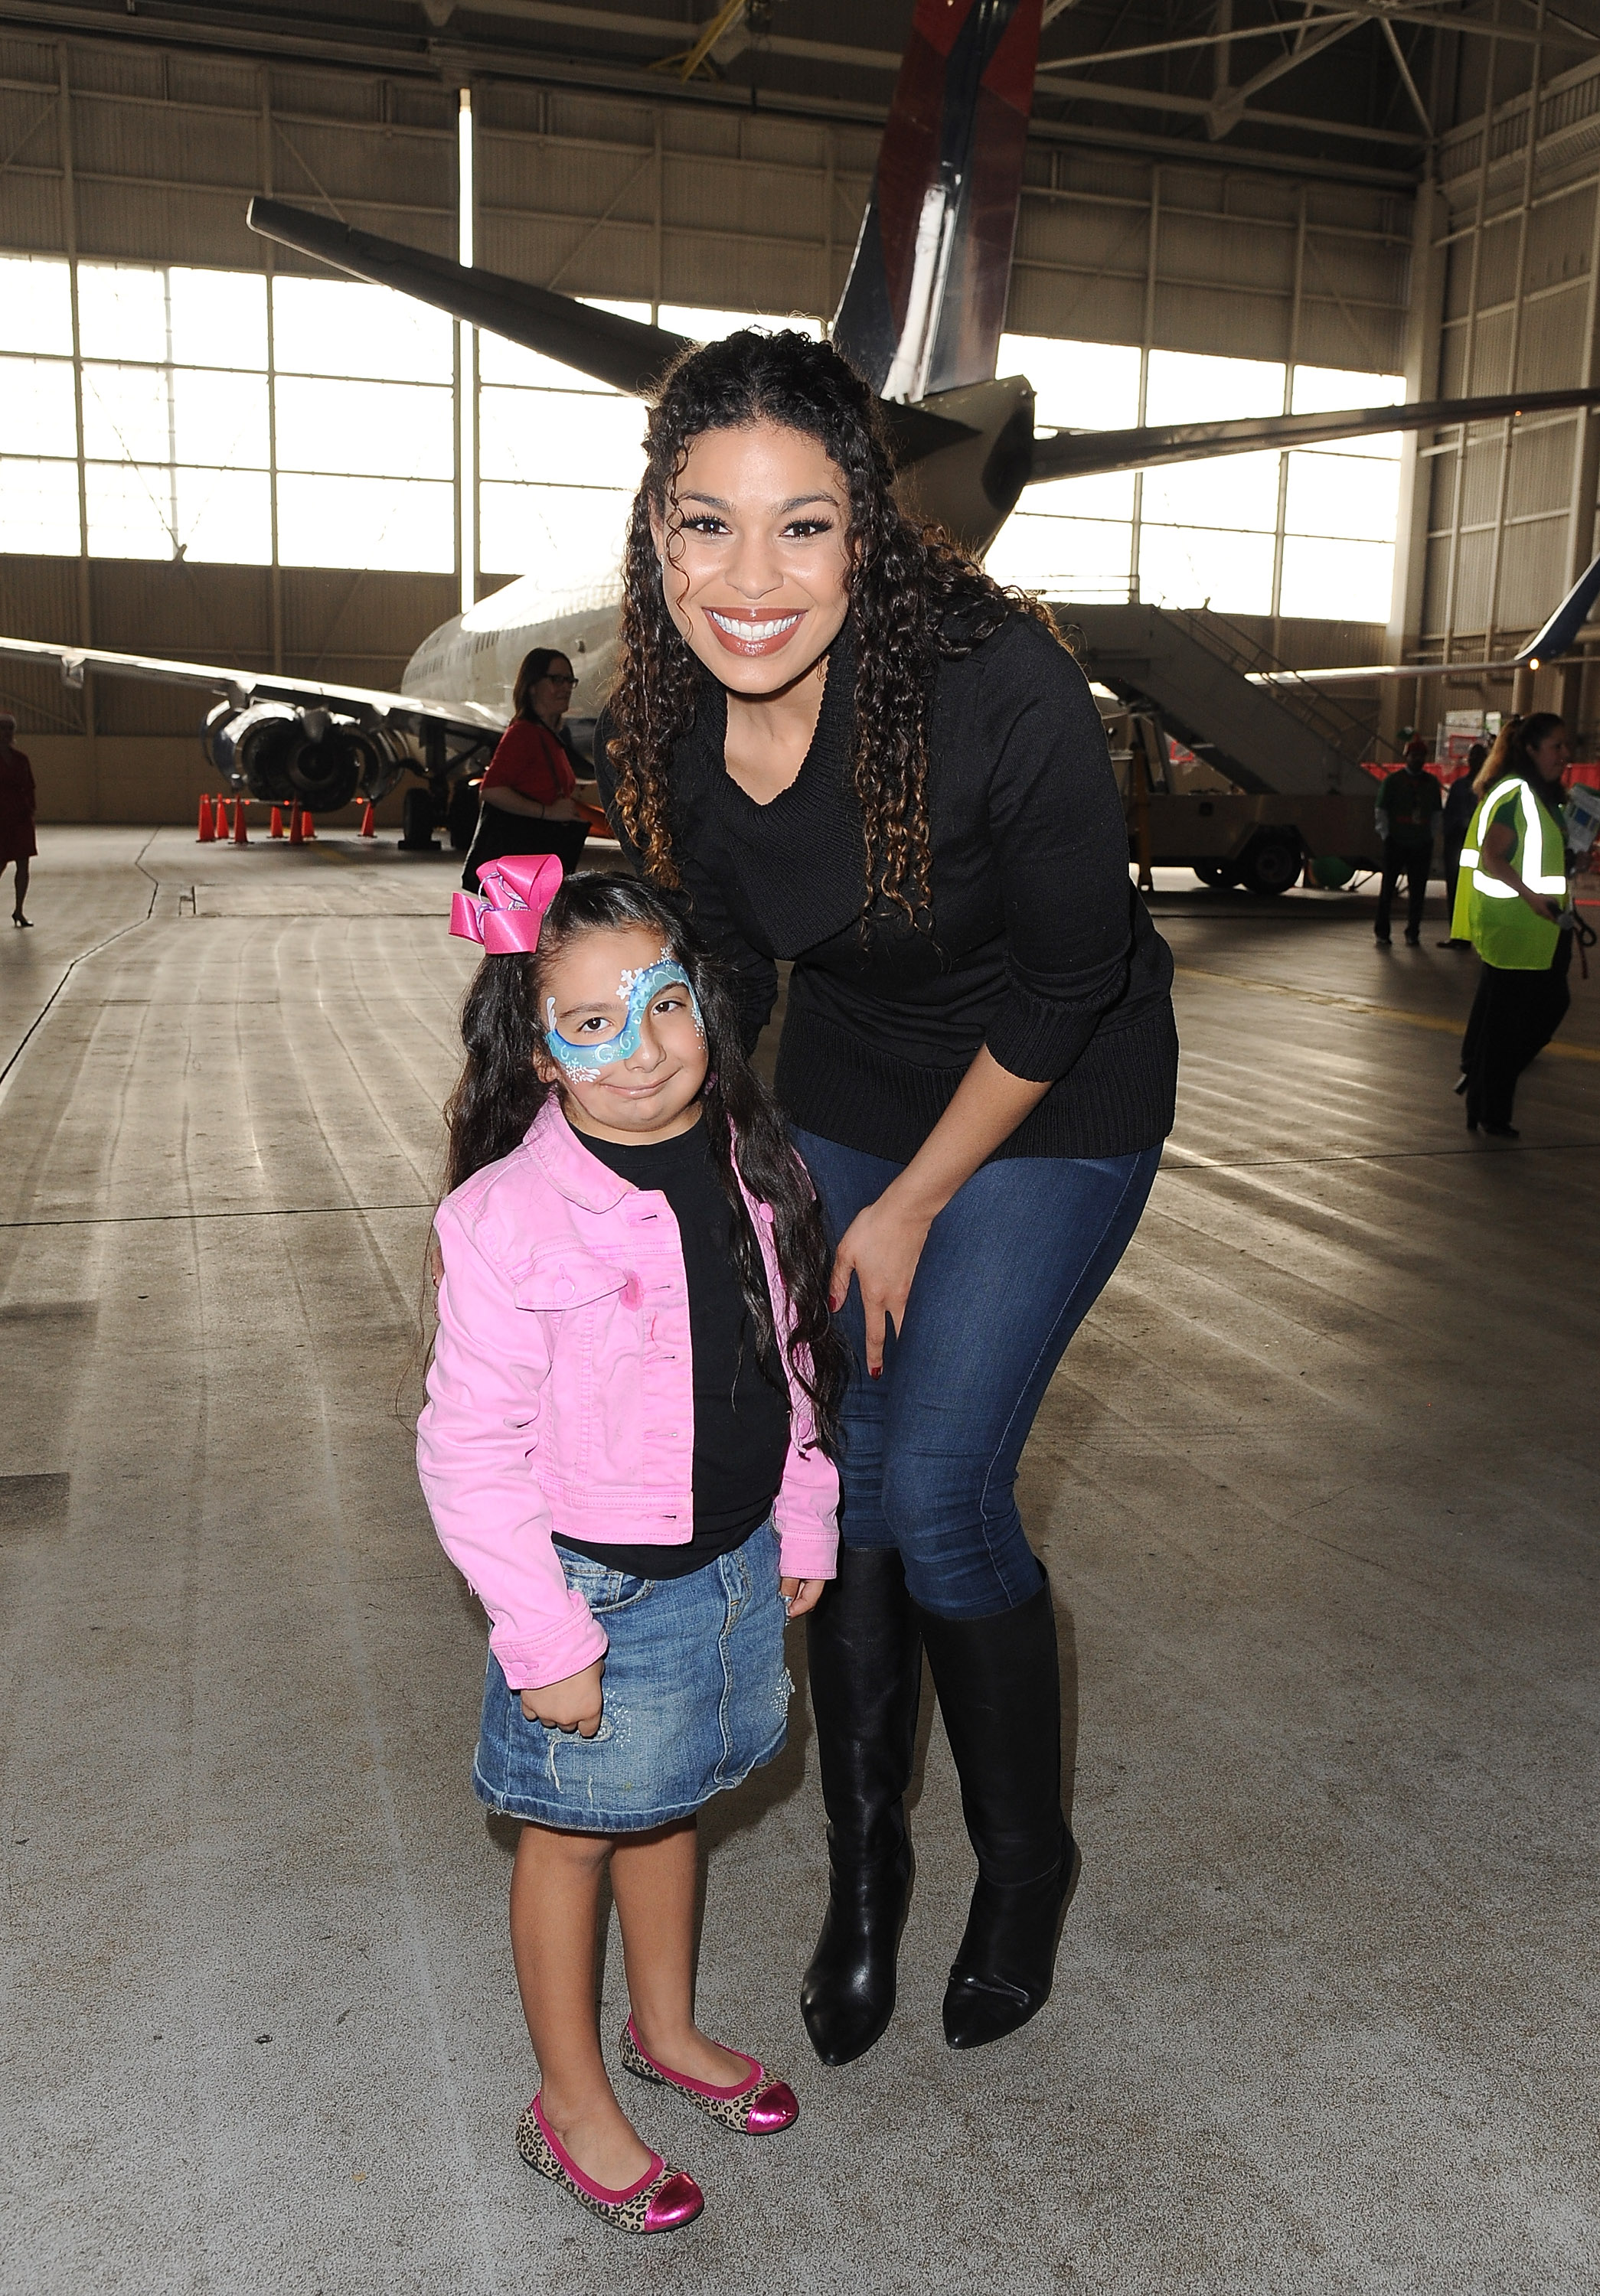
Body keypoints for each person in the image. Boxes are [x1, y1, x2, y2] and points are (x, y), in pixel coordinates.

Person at [595, 331, 1178, 2063]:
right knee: (832, 1487)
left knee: (937, 1488)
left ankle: (1025, 1863)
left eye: (803, 526)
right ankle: (869, 1876)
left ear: (867, 531)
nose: (750, 580)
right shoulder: (661, 716)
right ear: (656, 534)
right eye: (707, 525)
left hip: (1056, 1080)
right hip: (856, 1070)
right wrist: (646, 1144)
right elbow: (720, 965)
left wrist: (913, 1200)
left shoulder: (994, 686)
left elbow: (1069, 975)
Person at [417, 859, 847, 2235]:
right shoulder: (503, 1219)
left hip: (729, 1566)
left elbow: (788, 1355)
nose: (644, 1048)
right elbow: (466, 1449)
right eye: (592, 1023)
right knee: (570, 1840)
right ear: (537, 1053)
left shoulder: (755, 1167)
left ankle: (665, 2030)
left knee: (672, 1802)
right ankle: (570, 2099)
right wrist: (544, 1636)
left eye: (663, 1003)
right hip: (592, 1593)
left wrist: (804, 1506)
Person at [1452, 713, 1573, 1139]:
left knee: (1510, 1016)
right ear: (1531, 749)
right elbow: (1494, 856)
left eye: (1566, 746)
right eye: (1556, 746)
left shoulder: (1546, 796)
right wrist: (1531, 896)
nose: (1565, 754)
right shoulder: (1516, 793)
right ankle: (1489, 1105)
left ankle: (1479, 1082)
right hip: (1518, 924)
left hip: (1546, 925)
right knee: (1519, 1020)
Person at [460, 649, 597, 892]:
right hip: (524, 869)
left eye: (569, 681)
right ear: (532, 686)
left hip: (535, 869)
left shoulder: (548, 737)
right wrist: (548, 812)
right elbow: (491, 790)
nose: (566, 688)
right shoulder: (524, 734)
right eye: (557, 680)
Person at [1374, 735, 1441, 946]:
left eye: (1421, 756)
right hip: (1396, 841)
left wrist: (1430, 836)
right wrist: (1386, 835)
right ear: (1407, 757)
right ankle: (1382, 931)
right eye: (1414, 755)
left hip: (1421, 843)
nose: (1417, 759)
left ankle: (1413, 931)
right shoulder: (1393, 781)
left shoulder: (1431, 783)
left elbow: (1437, 813)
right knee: (1387, 889)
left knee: (1418, 891)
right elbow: (1381, 810)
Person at [1437, 739, 1485, 947]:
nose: (1475, 761)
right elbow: (1448, 817)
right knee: (1456, 890)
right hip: (1458, 845)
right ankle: (1458, 935)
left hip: (1482, 847)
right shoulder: (1459, 786)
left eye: (1480, 757)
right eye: (1473, 757)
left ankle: (1479, 935)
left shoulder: (1491, 787)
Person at [0, 712, 37, 926]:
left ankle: (19, 911)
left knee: (23, 865)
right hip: (1, 817)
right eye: (2, 729)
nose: (6, 733)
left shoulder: (22, 759)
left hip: (20, 817)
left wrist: (30, 810)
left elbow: (30, 786)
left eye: (9, 729)